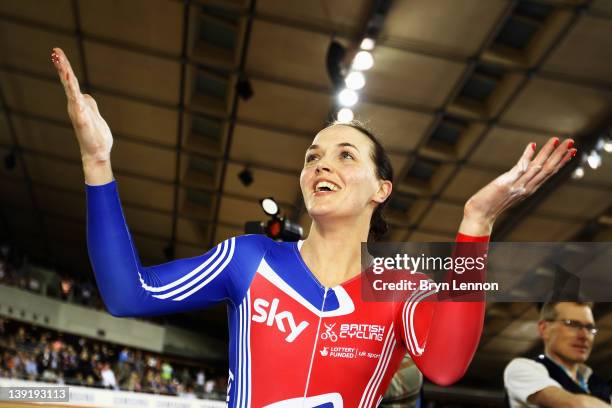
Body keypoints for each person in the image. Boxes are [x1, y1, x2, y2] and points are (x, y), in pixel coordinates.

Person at [51, 46, 578, 407]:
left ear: (381, 189)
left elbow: (444, 367)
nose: (322, 164)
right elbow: (127, 293)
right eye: (313, 156)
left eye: (345, 155)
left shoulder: (400, 287)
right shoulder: (249, 259)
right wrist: (98, 162)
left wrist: (477, 223)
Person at [504, 302, 611, 407]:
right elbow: (576, 405)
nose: (584, 336)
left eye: (589, 328)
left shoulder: (596, 382)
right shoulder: (522, 369)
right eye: (572, 324)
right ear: (544, 329)